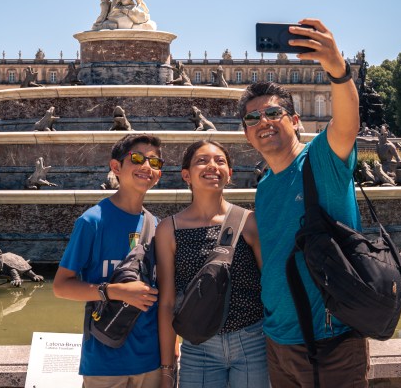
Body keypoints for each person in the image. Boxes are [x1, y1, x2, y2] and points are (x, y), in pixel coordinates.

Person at [238, 18, 368, 387]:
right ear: (247, 135)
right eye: (253, 117)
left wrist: (338, 70)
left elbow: (346, 124)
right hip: (279, 340)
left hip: (333, 340)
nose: (264, 121)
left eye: (274, 112)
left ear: (295, 121)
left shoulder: (320, 161)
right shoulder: (264, 186)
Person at [53, 133, 164, 387]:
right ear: (116, 167)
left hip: (151, 361)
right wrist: (114, 291)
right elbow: (61, 286)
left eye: (155, 162)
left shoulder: (157, 226)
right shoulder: (93, 221)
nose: (147, 166)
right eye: (137, 158)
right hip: (105, 362)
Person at [155, 141, 266, 387]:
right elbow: (167, 303)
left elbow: (270, 286)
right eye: (202, 161)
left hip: (252, 342)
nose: (212, 166)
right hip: (199, 347)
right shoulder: (169, 229)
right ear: (186, 175)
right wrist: (167, 367)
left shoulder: (249, 221)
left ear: (230, 174)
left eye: (220, 161)